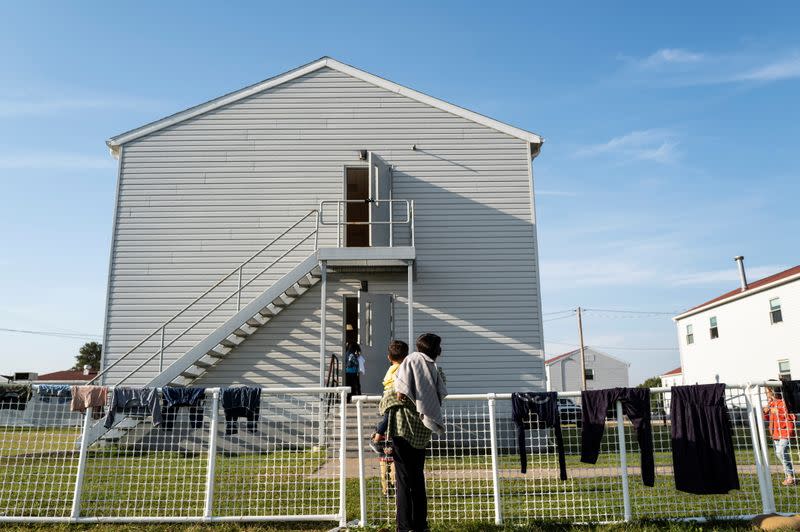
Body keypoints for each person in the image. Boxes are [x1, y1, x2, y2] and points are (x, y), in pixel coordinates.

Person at [380, 333, 448, 532]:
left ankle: (403, 527)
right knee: (418, 478)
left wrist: (385, 403)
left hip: (402, 428)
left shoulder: (409, 362)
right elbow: (438, 395)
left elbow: (399, 394)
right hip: (422, 428)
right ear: (436, 351)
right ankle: (421, 525)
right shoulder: (436, 369)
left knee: (402, 479)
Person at [369, 340, 410, 454]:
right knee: (388, 418)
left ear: (389, 357)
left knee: (389, 418)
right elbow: (400, 382)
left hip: (386, 394)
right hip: (392, 395)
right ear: (406, 356)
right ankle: (376, 440)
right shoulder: (402, 368)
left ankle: (379, 433)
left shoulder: (391, 368)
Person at [764, 386, 796, 486]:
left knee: (781, 451)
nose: (766, 394)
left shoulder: (784, 402)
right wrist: (765, 411)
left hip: (785, 431)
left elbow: (792, 416)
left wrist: (778, 412)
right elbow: (767, 418)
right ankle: (790, 476)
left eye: (767, 392)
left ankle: (790, 476)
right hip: (775, 433)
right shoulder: (771, 403)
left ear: (773, 391)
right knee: (779, 454)